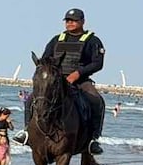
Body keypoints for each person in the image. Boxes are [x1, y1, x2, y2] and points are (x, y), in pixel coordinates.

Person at [12, 8, 106, 154]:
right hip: (56, 80)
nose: (70, 23)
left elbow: (97, 63)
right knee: (31, 99)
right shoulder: (56, 39)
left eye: (74, 20)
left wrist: (78, 73)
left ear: (82, 21)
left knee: (97, 100)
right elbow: (45, 60)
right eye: (68, 20)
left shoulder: (93, 41)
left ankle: (93, 139)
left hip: (80, 80)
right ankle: (27, 132)